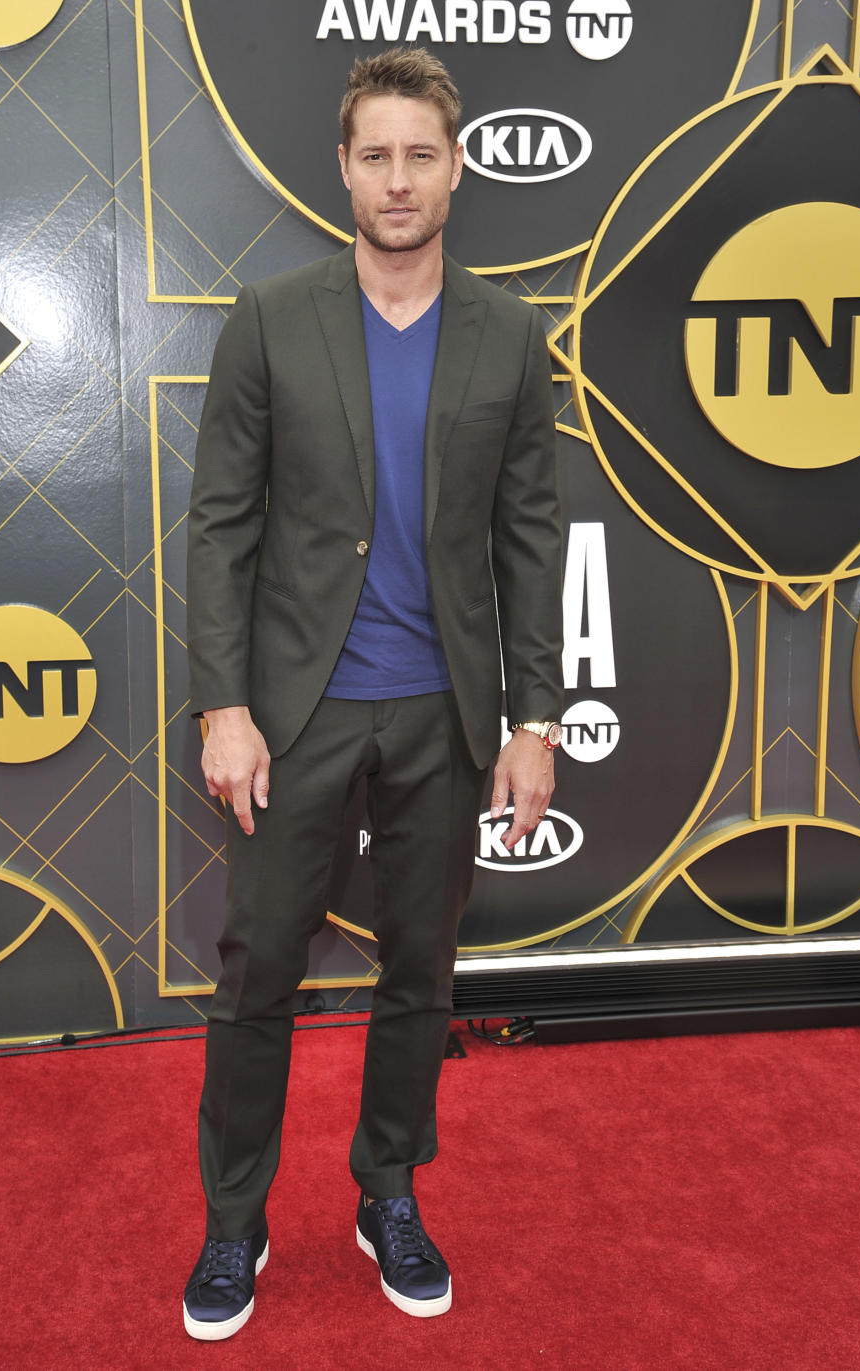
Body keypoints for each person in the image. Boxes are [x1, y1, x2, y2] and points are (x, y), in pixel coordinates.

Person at [182, 46, 563, 1340]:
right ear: (341, 167)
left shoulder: (512, 338)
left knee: (423, 974)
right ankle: (235, 1221)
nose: (398, 179)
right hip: (300, 712)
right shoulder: (270, 320)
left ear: (456, 168)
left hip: (443, 717)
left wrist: (532, 719)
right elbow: (220, 527)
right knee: (256, 976)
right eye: (375, 154)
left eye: (421, 154)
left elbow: (529, 540)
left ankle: (387, 1188)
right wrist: (221, 705)